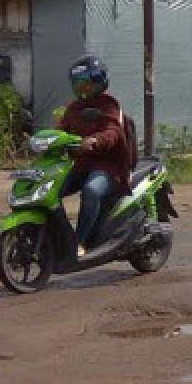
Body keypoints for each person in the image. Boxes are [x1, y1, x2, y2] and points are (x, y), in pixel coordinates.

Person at [57, 55, 132, 254]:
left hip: (108, 166)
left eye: (86, 84)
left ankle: (79, 241)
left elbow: (113, 132)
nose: (82, 89)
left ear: (99, 82)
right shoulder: (74, 108)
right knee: (52, 191)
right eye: (78, 85)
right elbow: (61, 130)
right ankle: (55, 238)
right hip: (81, 164)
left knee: (91, 190)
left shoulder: (109, 106)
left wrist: (95, 140)